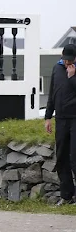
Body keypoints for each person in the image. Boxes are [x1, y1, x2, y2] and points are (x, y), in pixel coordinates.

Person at [45, 43, 76, 205]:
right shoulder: (56, 69)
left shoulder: (74, 70)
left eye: (70, 60)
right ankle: (66, 196)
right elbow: (52, 92)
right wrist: (48, 116)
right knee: (62, 157)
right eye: (65, 60)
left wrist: (72, 78)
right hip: (61, 119)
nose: (66, 63)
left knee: (75, 158)